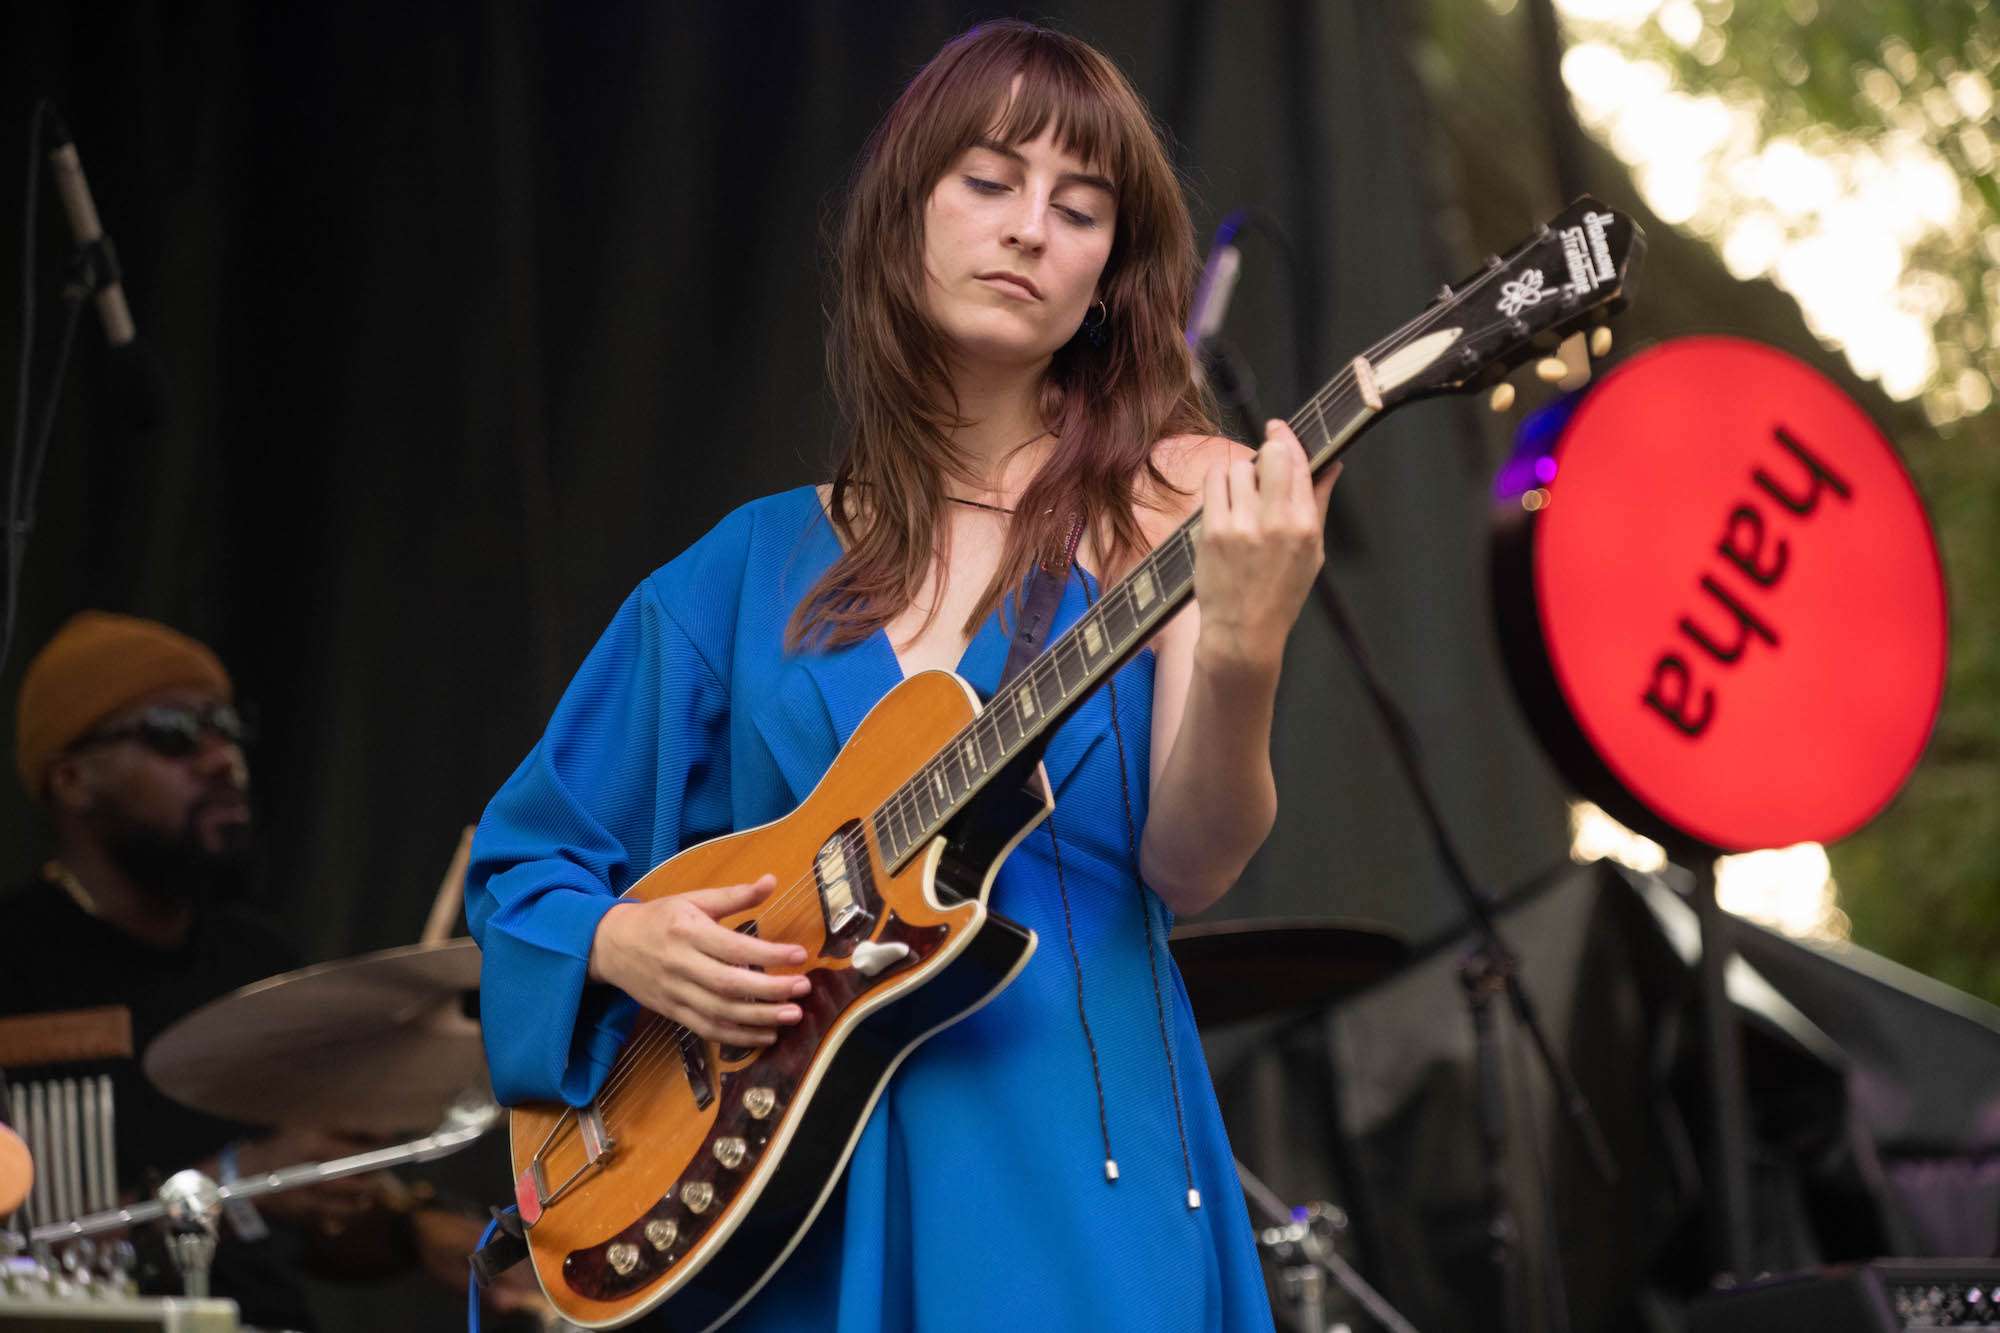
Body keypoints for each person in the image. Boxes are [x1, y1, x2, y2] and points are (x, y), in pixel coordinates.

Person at [466, 19, 1337, 1330]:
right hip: (789, 1205)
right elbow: (523, 866)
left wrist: (1246, 647)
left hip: (1074, 1178)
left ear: (1106, 279)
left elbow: (1193, 861)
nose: (1030, 228)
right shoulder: (743, 571)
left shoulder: (1171, 505)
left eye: (1079, 209)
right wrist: (623, 943)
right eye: (988, 181)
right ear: (902, 220)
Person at [0, 610, 536, 1328]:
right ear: (73, 779)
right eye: (173, 734)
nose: (222, 758)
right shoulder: (15, 964)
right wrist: (235, 1183)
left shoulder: (257, 963)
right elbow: (27, 1247)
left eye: (226, 728)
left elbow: (316, 1229)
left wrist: (410, 1232)